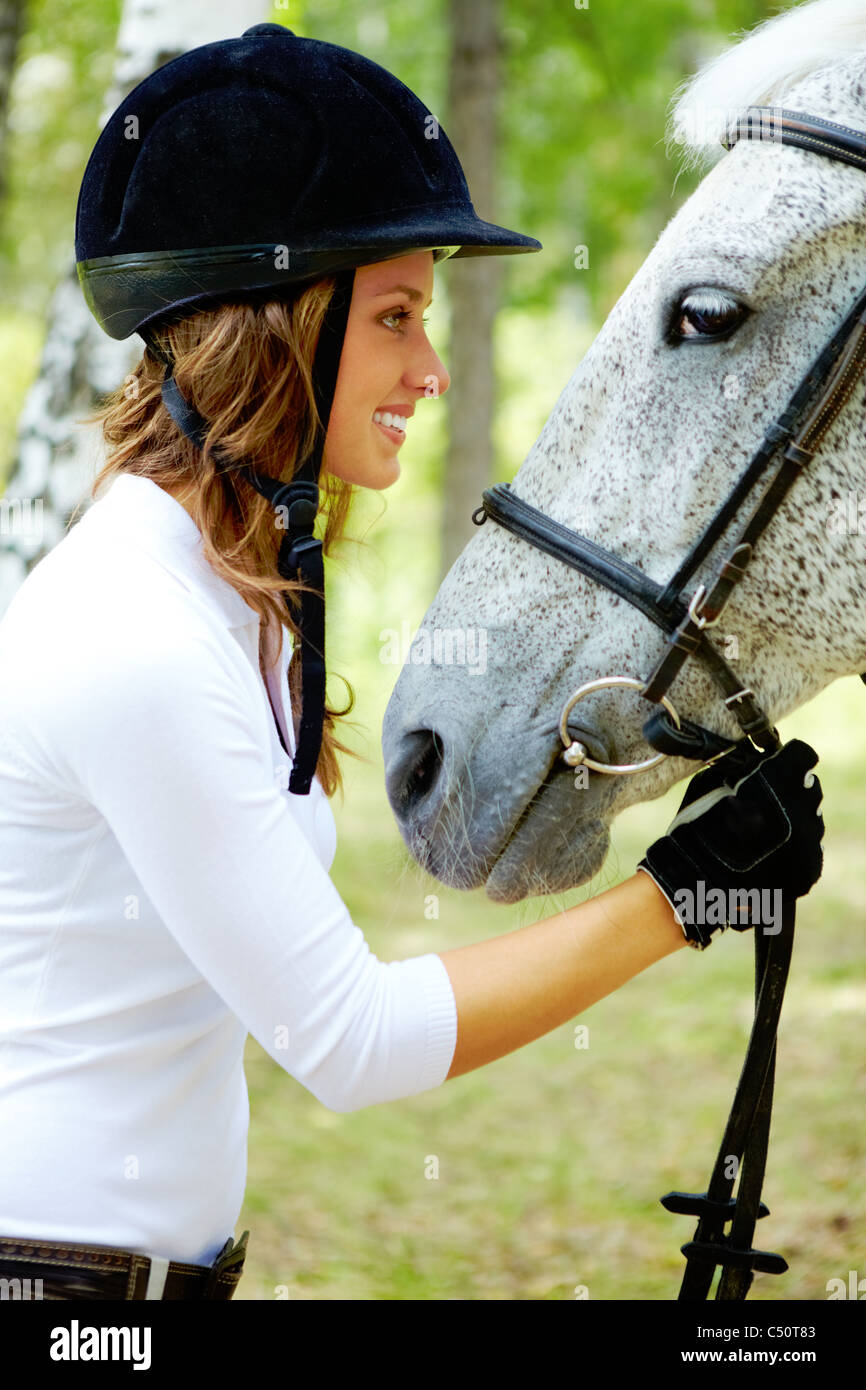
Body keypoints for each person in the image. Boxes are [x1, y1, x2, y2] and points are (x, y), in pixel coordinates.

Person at [0, 24, 824, 1301]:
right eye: (394, 319)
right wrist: (683, 893)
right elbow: (350, 1040)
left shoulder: (218, 592)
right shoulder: (134, 631)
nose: (429, 371)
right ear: (276, 330)